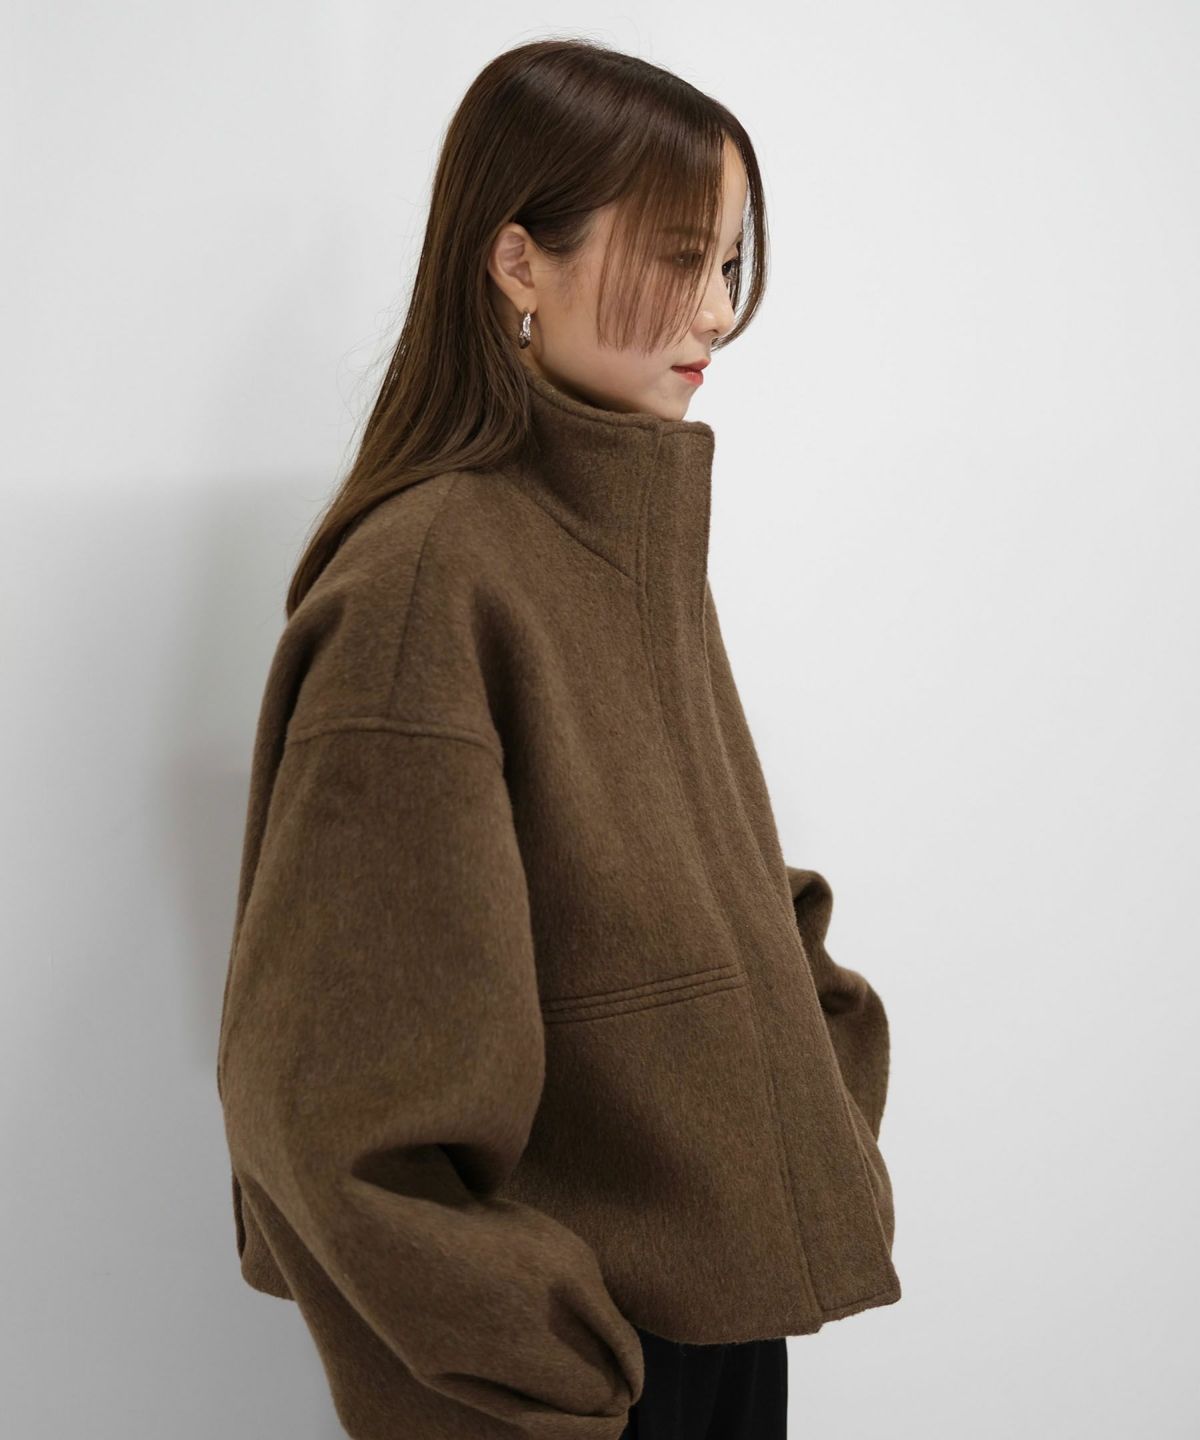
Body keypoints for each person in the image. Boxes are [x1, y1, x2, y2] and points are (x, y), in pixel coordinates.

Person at [215, 36, 900, 1440]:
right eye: (678, 257)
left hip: (717, 1320)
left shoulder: (623, 534)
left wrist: (814, 1102)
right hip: (582, 1382)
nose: (715, 310)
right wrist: (547, 1362)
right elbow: (322, 1099)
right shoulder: (430, 579)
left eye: (730, 262)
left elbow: (695, 891)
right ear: (517, 261)